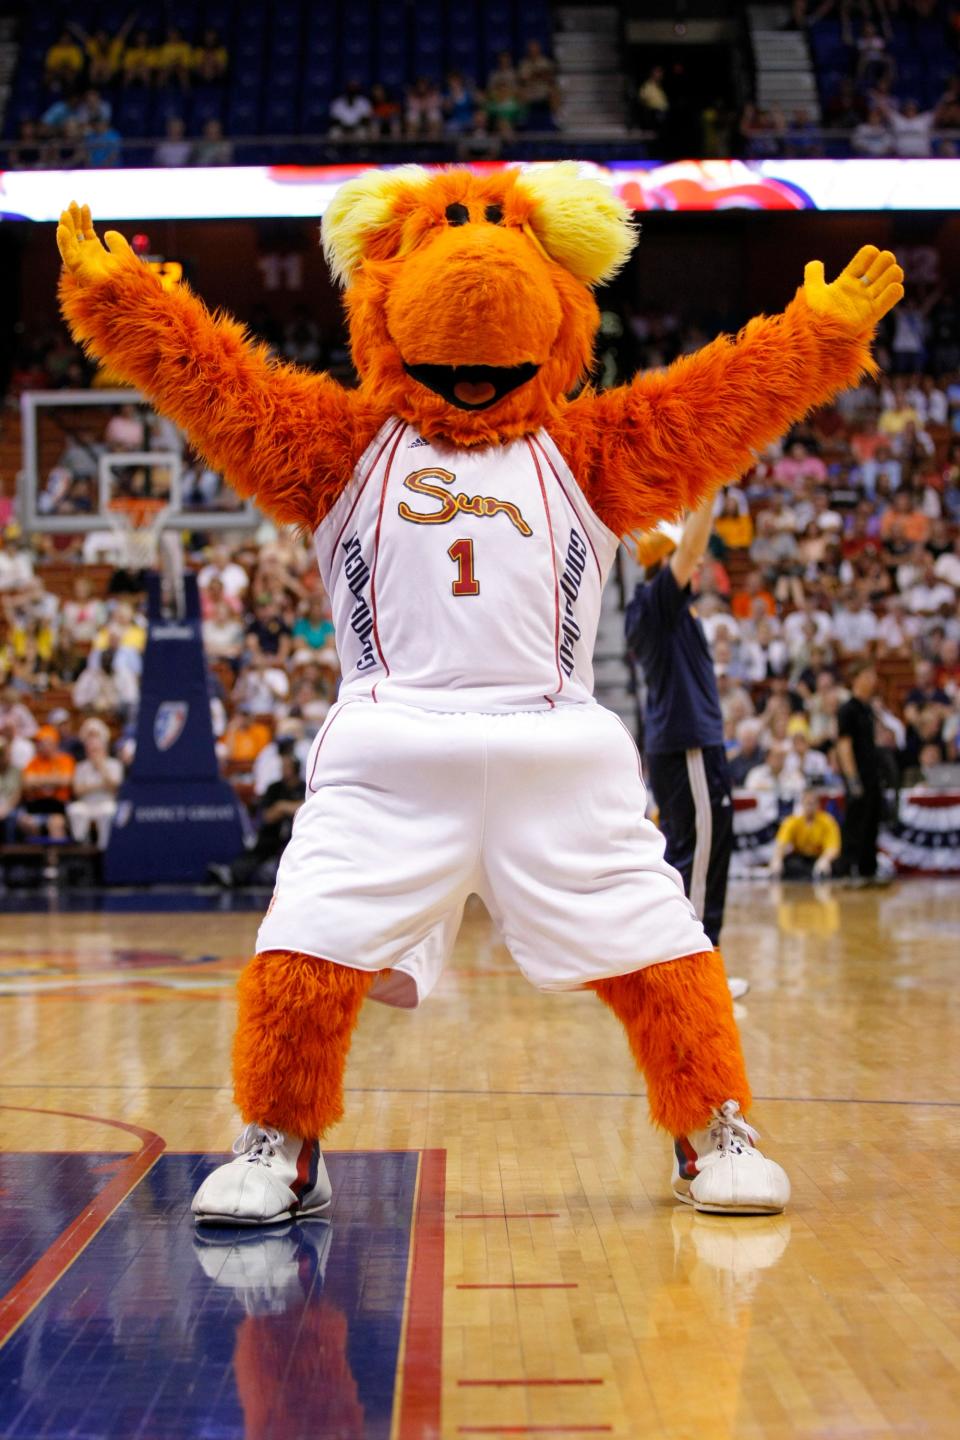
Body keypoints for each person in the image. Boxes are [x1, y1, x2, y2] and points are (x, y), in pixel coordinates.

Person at [59, 179, 902, 1228]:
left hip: (555, 746)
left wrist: (815, 339)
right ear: (380, 295)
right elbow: (221, 384)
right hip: (389, 747)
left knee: (659, 943)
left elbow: (717, 400)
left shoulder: (591, 452)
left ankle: (710, 1129)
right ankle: (282, 1143)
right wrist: (126, 304)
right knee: (305, 946)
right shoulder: (339, 448)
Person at [625, 496, 747, 997]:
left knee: (697, 853)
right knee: (699, 855)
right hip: (688, 746)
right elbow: (693, 546)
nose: (695, 568)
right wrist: (712, 483)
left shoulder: (665, 612)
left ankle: (685, 965)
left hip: (689, 745)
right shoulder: (656, 603)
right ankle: (696, 973)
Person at [209, 748, 304, 887]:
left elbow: (306, 807)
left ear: (295, 769)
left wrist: (282, 806)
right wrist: (288, 808)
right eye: (282, 766)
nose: (283, 770)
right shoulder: (275, 788)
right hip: (274, 834)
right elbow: (268, 816)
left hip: (296, 835)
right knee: (258, 848)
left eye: (287, 767)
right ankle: (232, 874)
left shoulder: (304, 787)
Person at [836, 661, 885, 885]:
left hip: (872, 775)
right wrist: (853, 779)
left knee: (871, 823)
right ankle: (847, 870)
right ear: (857, 678)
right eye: (869, 675)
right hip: (858, 776)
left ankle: (868, 869)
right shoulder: (848, 709)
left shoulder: (868, 708)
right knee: (855, 823)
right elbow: (844, 746)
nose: (873, 680)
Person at [67, 718, 123, 847]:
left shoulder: (114, 764)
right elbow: (77, 791)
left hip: (106, 802)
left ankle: (104, 847)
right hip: (87, 804)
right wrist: (99, 785)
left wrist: (102, 768)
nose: (93, 753)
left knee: (108, 811)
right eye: (90, 750)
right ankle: (82, 845)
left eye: (96, 750)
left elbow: (115, 788)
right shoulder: (81, 766)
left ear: (104, 749)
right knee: (75, 810)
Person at [17, 725, 76, 842]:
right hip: (37, 805)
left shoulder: (65, 759)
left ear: (54, 743)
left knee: (55, 823)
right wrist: (53, 780)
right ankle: (37, 856)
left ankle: (54, 858)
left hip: (58, 806)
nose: (40, 746)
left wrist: (39, 780)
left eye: (43, 742)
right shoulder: (34, 761)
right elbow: (26, 782)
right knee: (25, 821)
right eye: (39, 743)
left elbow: (66, 780)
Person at [770, 789, 841, 879]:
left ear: (818, 805)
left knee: (836, 865)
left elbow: (833, 847)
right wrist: (777, 859)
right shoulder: (792, 821)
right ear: (802, 804)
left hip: (819, 856)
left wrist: (825, 860)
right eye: (807, 803)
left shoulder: (828, 821)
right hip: (801, 857)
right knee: (789, 864)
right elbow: (781, 843)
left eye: (812, 803)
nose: (810, 807)